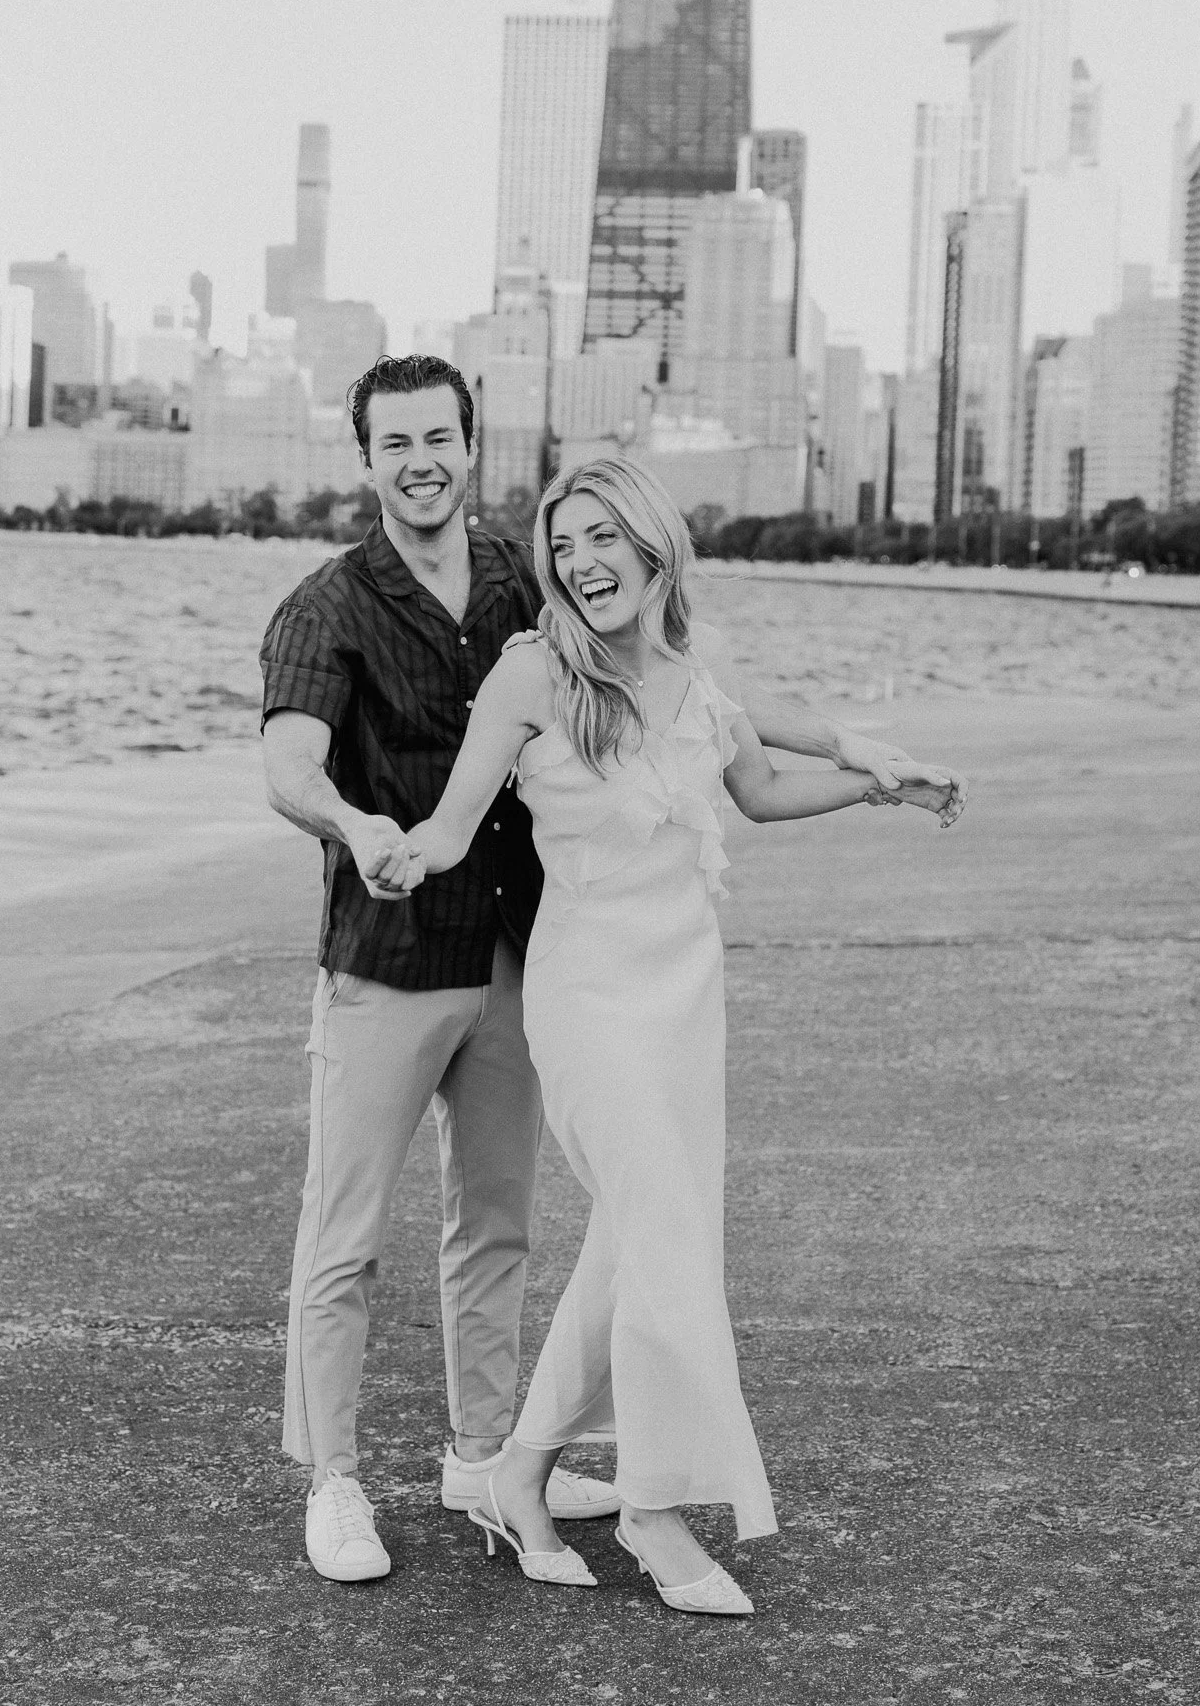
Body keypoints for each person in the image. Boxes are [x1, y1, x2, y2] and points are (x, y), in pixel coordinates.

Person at [258, 357, 962, 1587]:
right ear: (364, 458)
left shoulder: (521, 577)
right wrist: (361, 828)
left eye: (439, 437)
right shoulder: (332, 605)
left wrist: (863, 757)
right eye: (395, 442)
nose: (420, 461)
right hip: (397, 952)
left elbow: (708, 707)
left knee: (505, 1227)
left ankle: (492, 1458)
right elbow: (293, 762)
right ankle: (344, 1477)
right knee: (347, 1235)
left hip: (529, 956)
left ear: (471, 445)